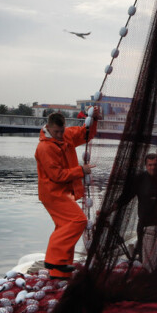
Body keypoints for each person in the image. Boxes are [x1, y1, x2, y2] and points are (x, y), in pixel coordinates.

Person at [35, 110, 100, 278]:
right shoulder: (45, 147)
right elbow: (57, 175)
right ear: (48, 128)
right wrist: (81, 170)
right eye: (56, 132)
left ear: (65, 127)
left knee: (65, 226)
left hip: (63, 192)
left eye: (61, 131)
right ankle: (54, 260)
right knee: (78, 221)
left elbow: (85, 134)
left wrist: (94, 120)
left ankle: (59, 273)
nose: (59, 135)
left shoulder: (67, 135)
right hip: (52, 193)